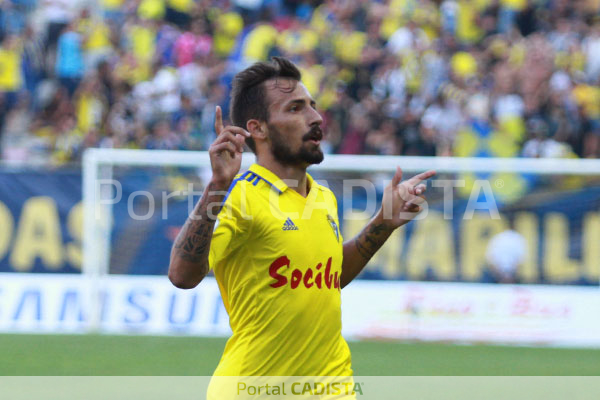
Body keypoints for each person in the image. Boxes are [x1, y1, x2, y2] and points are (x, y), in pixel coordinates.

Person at [167, 57, 435, 397]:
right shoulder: (242, 199)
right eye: (296, 108)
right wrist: (216, 186)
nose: (315, 117)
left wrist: (383, 223)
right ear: (259, 128)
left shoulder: (323, 197)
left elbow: (328, 278)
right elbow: (182, 275)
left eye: (312, 106)